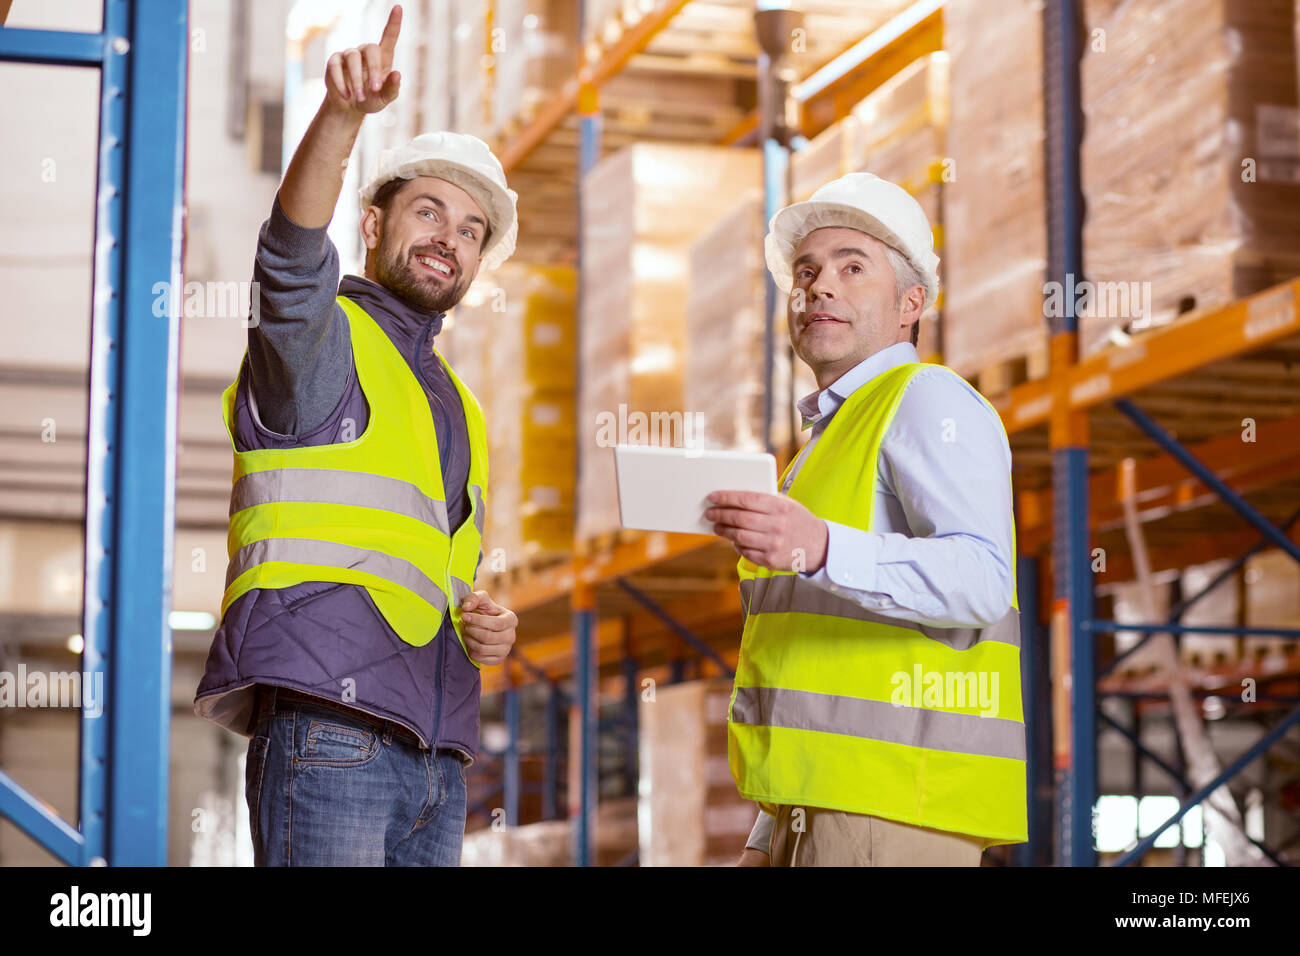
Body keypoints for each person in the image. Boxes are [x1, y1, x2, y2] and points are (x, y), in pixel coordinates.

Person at [194, 5, 518, 866]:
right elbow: (290, 261)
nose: (448, 240)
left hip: (437, 756)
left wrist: (483, 626)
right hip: (334, 731)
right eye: (428, 211)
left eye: (471, 230)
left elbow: (431, 570)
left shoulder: (460, 405)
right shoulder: (323, 341)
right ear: (373, 226)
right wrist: (342, 119)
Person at [707, 172, 1027, 867]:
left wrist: (821, 547)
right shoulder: (826, 444)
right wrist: (770, 831)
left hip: (894, 814)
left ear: (911, 303)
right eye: (807, 270)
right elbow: (805, 666)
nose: (820, 286)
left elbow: (981, 579)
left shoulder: (926, 400)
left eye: (854, 267)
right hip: (817, 812)